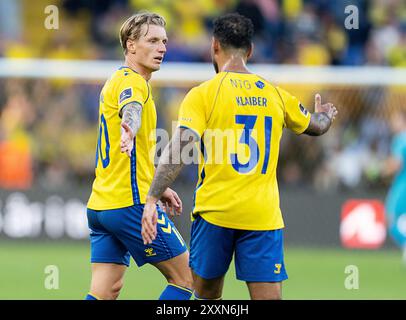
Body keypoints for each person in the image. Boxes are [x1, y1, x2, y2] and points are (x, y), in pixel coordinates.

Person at [141, 13, 337, 300]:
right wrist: (326, 116)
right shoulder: (275, 94)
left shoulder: (203, 94)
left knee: (206, 298)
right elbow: (316, 125)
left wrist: (152, 196)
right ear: (251, 50)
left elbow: (180, 149)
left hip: (215, 213)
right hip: (262, 216)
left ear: (214, 46)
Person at [85, 12, 193, 300]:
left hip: (101, 206)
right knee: (187, 278)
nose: (162, 48)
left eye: (164, 41)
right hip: (129, 203)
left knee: (105, 291)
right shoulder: (134, 83)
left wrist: (157, 185)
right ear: (131, 45)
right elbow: (131, 110)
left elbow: (135, 156)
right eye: (153, 40)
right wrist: (129, 128)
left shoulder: (117, 80)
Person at [382, 109, 406, 264]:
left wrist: (381, 169)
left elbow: (396, 164)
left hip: (402, 185)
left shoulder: (401, 139)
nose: (392, 123)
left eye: (395, 119)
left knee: (390, 218)